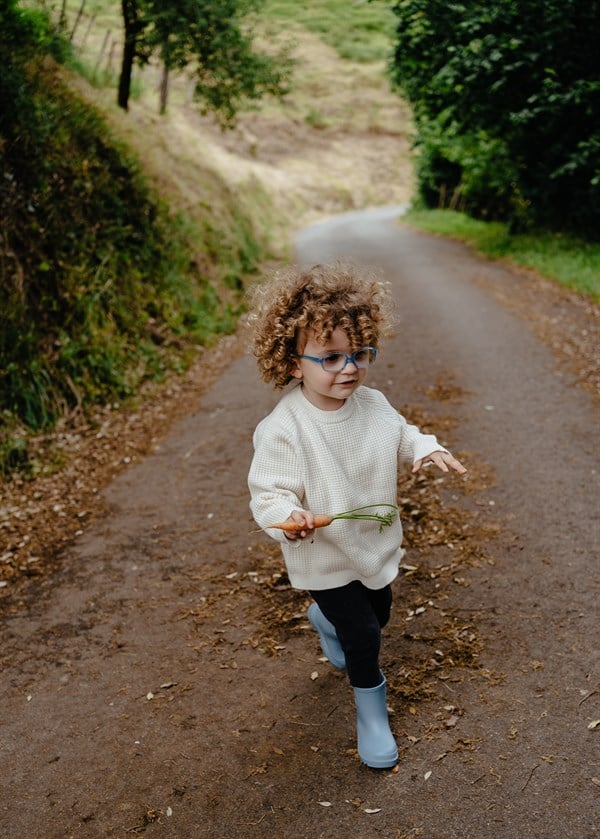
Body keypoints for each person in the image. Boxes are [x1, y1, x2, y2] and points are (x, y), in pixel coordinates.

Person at [247, 262, 467, 769]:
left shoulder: (373, 403)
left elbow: (402, 431)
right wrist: (289, 515)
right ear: (293, 362)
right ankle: (371, 712)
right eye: (330, 357)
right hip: (323, 555)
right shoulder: (285, 428)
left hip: (372, 542)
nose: (348, 368)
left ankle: (323, 619)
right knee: (364, 636)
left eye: (358, 354)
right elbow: (269, 491)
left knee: (380, 613)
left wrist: (425, 448)